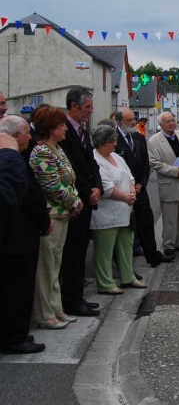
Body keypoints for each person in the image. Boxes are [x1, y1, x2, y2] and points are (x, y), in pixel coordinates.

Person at [29, 106, 84, 329]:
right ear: (52, 128)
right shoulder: (42, 151)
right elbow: (51, 185)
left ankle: (56, 307)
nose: (65, 129)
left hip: (63, 214)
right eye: (62, 126)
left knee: (56, 264)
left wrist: (75, 200)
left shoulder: (57, 149)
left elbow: (69, 180)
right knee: (46, 267)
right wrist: (74, 201)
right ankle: (44, 313)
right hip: (51, 215)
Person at [0, 117, 51, 354]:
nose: (30, 137)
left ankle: (15, 333)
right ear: (16, 136)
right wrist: (44, 221)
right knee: (19, 288)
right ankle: (14, 337)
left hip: (13, 234)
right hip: (19, 236)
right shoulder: (13, 161)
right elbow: (30, 196)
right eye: (26, 133)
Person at [58, 87, 103, 317]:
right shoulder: (64, 132)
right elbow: (72, 169)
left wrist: (98, 187)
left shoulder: (83, 130)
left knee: (80, 249)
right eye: (87, 107)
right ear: (74, 106)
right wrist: (88, 192)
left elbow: (91, 163)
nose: (90, 111)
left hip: (87, 197)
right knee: (73, 253)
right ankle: (71, 300)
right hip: (76, 201)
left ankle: (77, 297)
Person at [89, 125, 145, 294]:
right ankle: (106, 283)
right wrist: (126, 197)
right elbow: (106, 186)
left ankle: (128, 277)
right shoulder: (95, 159)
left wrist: (132, 191)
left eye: (115, 140)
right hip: (106, 213)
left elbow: (130, 175)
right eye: (111, 141)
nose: (115, 144)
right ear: (100, 142)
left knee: (126, 246)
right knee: (105, 251)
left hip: (125, 211)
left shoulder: (116, 157)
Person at [114, 108, 174, 267]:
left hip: (140, 189)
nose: (133, 122)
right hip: (123, 191)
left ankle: (153, 255)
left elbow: (146, 165)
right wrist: (130, 186)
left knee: (146, 223)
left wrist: (141, 183)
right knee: (125, 227)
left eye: (134, 118)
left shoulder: (139, 138)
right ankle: (122, 263)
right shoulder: (113, 139)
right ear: (120, 122)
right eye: (129, 120)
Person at [148, 112, 179, 255]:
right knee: (169, 218)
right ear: (161, 125)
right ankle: (169, 245)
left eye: (173, 120)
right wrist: (175, 171)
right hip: (169, 182)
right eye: (167, 121)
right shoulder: (154, 141)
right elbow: (154, 162)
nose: (171, 123)